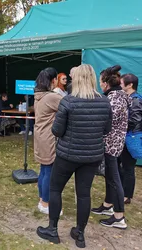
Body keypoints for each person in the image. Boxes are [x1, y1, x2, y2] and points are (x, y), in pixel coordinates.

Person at [36, 64, 112, 248]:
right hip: (92, 156)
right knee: (84, 194)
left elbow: (57, 130)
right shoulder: (104, 101)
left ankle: (53, 230)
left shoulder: (69, 101)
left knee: (55, 189)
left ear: (76, 80)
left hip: (68, 155)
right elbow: (106, 130)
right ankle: (80, 234)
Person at [91, 65, 129, 229]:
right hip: (112, 144)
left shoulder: (115, 98)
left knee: (114, 178)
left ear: (106, 83)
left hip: (111, 145)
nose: (100, 84)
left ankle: (119, 216)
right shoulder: (115, 95)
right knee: (110, 176)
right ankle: (108, 205)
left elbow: (107, 122)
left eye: (100, 81)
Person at [34, 68, 63, 214]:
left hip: (40, 136)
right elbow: (69, 106)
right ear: (53, 80)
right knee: (49, 171)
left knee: (44, 170)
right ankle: (45, 203)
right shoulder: (51, 97)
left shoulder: (38, 95)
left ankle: (42, 200)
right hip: (48, 137)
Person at [119, 73, 142, 204]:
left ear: (130, 85)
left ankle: (127, 196)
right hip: (126, 136)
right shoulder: (129, 98)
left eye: (122, 83)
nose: (120, 86)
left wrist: (121, 125)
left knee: (128, 168)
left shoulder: (136, 100)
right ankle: (123, 192)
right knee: (123, 167)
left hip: (131, 137)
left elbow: (135, 120)